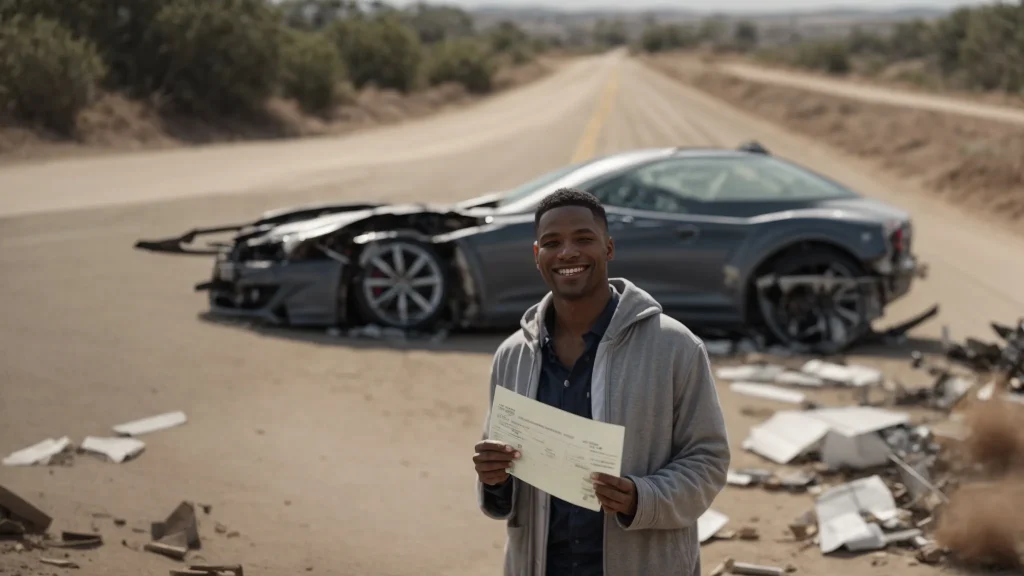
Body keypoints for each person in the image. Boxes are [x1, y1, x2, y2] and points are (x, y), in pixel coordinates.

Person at [472, 187, 731, 576]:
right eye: (552, 242)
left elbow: (708, 460)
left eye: (583, 239)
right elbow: (508, 480)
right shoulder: (512, 356)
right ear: (537, 256)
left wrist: (642, 498)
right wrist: (494, 479)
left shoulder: (675, 347)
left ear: (608, 248)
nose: (568, 253)